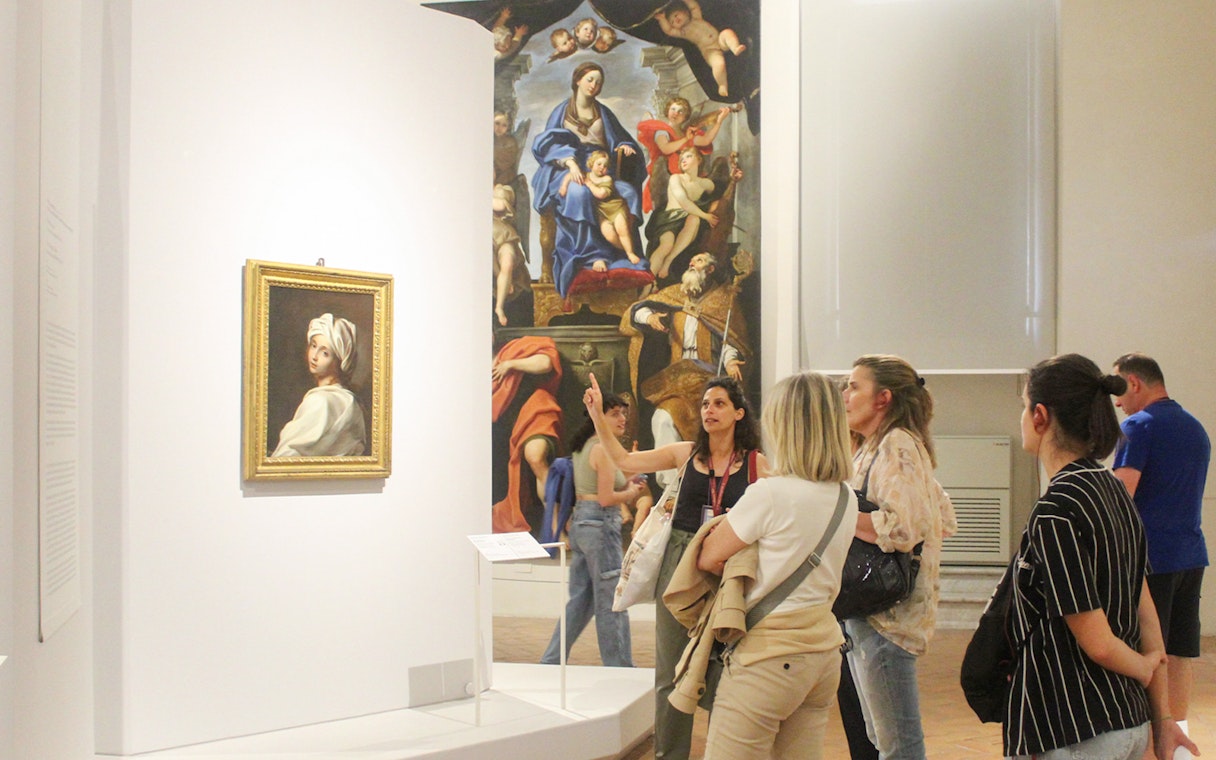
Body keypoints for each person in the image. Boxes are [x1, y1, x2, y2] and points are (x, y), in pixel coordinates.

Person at [1005, 353, 1197, 760]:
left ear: (1040, 416)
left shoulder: (1056, 509)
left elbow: (1099, 644)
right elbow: (1148, 620)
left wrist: (1144, 668)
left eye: (1023, 407)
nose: (1022, 418)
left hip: (1071, 727)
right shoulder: (1113, 493)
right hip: (1130, 721)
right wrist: (1161, 719)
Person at [582, 372, 767, 760]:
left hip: (728, 571)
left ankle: (726, 751)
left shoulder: (756, 465)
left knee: (727, 668)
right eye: (704, 404)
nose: (708, 410)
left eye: (718, 403)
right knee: (671, 670)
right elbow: (624, 459)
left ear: (738, 413)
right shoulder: (686, 454)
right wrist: (598, 415)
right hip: (679, 565)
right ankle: (671, 754)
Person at [686, 372, 859, 759]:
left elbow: (708, 557)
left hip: (768, 658)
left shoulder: (770, 494)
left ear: (783, 426)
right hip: (822, 653)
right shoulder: (846, 497)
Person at [839, 354, 956, 760]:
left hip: (887, 616)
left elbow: (904, 528)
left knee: (898, 745)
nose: (845, 395)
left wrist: (834, 513)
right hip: (870, 610)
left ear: (883, 398)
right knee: (882, 736)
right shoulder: (874, 446)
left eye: (855, 386)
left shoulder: (897, 444)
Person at [1111, 353, 1210, 751]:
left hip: (1152, 559)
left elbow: (1121, 495)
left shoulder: (1139, 426)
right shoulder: (1195, 428)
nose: (1117, 401)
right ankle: (1178, 741)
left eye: (1119, 389)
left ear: (1135, 382)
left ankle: (1153, 743)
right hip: (1191, 555)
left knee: (1150, 652)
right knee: (1181, 650)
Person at [540, 392, 647, 668]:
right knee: (612, 602)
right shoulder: (602, 448)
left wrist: (627, 483)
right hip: (600, 525)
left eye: (623, 413)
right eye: (615, 414)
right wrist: (631, 492)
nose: (622, 418)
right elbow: (605, 498)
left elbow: (595, 489)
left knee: (581, 601)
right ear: (598, 416)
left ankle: (550, 661)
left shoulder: (585, 446)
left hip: (582, 525)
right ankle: (620, 667)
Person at [531, 62, 648, 298]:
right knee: (579, 193)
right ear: (577, 80)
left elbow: (620, 139)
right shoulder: (562, 112)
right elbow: (547, 145)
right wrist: (571, 163)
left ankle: (624, 252)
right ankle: (589, 256)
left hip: (600, 168)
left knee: (628, 192)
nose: (594, 85)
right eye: (590, 79)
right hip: (566, 168)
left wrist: (624, 146)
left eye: (598, 82)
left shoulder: (603, 112)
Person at [491, 337, 562, 534]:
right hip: (506, 426)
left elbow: (547, 362)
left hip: (535, 410)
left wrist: (510, 364)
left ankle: (557, 526)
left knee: (536, 457)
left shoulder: (511, 350)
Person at [272, 313, 367, 457]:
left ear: (340, 361)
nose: (314, 356)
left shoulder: (320, 401)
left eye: (325, 353)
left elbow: (286, 455)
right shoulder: (351, 401)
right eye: (313, 345)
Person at [645, 147, 733, 279]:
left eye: (688, 156)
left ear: (699, 159)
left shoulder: (705, 183)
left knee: (694, 219)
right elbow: (683, 201)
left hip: (688, 221)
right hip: (669, 220)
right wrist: (705, 216)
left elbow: (722, 191)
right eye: (682, 159)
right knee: (666, 245)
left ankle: (668, 262)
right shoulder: (676, 178)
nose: (683, 160)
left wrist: (732, 178)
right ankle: (647, 286)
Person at [636, 96, 731, 214]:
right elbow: (666, 149)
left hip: (690, 176)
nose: (676, 113)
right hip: (669, 176)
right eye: (673, 109)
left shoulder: (687, 132)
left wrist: (719, 122)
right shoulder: (662, 131)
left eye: (681, 111)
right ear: (667, 111)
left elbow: (706, 140)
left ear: (685, 116)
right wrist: (686, 138)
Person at [562, 149, 641, 268]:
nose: (602, 168)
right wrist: (563, 186)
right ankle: (623, 250)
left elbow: (601, 194)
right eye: (599, 164)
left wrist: (589, 184)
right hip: (603, 213)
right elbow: (569, 175)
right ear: (591, 164)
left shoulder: (606, 179)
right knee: (608, 235)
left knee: (622, 230)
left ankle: (630, 253)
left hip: (616, 209)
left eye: (605, 166)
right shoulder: (586, 175)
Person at [653, 0, 746, 97]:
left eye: (676, 15)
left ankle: (735, 47)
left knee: (727, 33)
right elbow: (669, 30)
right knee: (719, 64)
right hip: (710, 51)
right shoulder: (683, 32)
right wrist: (662, 19)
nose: (675, 20)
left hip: (719, 40)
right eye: (672, 21)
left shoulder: (696, 17)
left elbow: (693, 6)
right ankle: (722, 84)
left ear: (685, 12)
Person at [492, 182, 529, 326]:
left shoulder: (503, 189)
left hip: (503, 234)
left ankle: (499, 307)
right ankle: (506, 282)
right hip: (485, 236)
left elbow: (501, 205)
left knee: (507, 263)